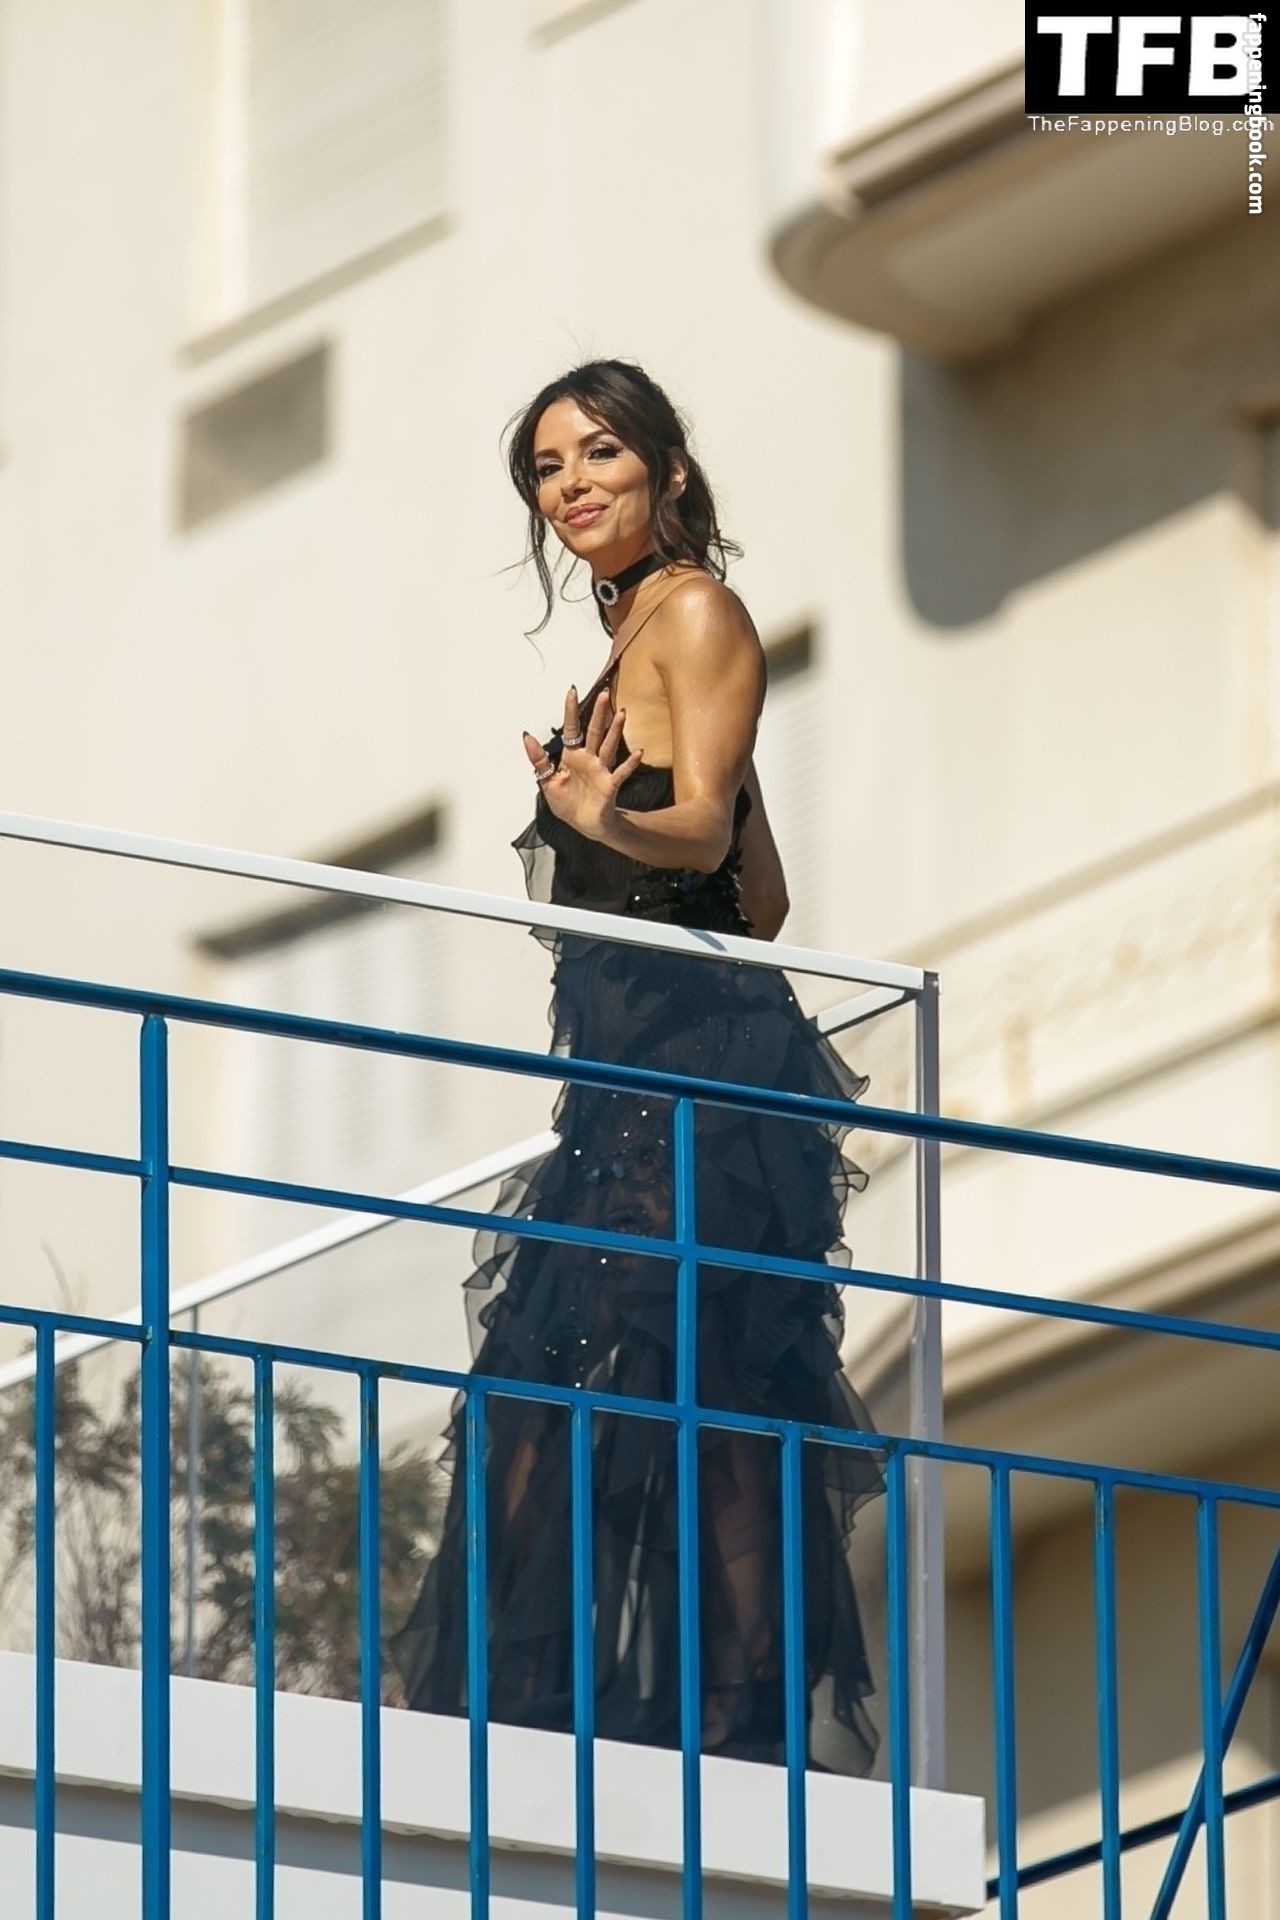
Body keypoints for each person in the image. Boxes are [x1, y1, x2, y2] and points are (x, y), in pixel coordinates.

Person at [391, 359, 882, 1775]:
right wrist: (605, 812)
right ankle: (583, 1724)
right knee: (622, 1382)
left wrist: (606, 816)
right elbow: (763, 897)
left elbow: (710, 827)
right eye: (548, 468)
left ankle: (702, 1729)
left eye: (600, 453)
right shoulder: (639, 636)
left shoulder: (698, 614)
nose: (573, 485)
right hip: (636, 1075)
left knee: (639, 1387)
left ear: (667, 468)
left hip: (697, 1072)